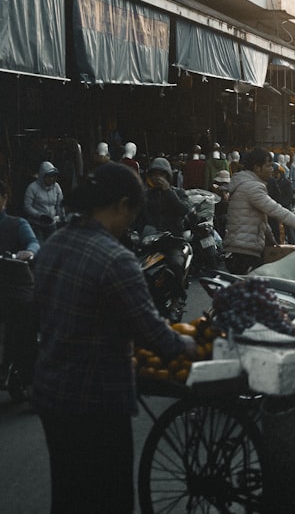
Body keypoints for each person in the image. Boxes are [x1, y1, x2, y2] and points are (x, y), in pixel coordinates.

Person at [31, 163, 197, 513]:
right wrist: (194, 346)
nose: (131, 221)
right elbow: (152, 334)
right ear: (121, 205)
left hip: (52, 394)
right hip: (97, 403)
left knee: (69, 495)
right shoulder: (116, 260)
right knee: (111, 499)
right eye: (132, 212)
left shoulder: (53, 245)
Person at [223, 148, 295, 274]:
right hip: (244, 253)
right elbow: (277, 211)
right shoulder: (252, 187)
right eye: (268, 166)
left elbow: (259, 218)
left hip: (240, 249)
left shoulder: (245, 184)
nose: (272, 169)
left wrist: (271, 240)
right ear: (257, 168)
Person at [0, 180, 41, 392]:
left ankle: (31, 380)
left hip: (17, 289)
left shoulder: (17, 224)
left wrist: (29, 252)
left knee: (24, 331)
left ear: (5, 199)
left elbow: (33, 243)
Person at [139, 156, 193, 236]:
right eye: (154, 175)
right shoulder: (146, 194)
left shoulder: (179, 192)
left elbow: (184, 211)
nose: (157, 178)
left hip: (174, 236)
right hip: (152, 237)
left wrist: (168, 191)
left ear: (168, 176)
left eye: (160, 175)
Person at [22, 161, 66, 241]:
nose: (51, 179)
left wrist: (63, 219)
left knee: (52, 246)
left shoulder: (56, 187)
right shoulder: (32, 188)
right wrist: (40, 215)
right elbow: (27, 206)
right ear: (42, 176)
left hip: (51, 224)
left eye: (53, 176)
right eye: (49, 176)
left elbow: (60, 204)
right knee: (40, 246)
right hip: (36, 224)